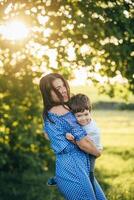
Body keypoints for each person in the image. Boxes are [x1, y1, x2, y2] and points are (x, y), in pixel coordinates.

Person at [39, 73, 107, 200]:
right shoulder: (63, 110)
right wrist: (97, 152)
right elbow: (83, 143)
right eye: (57, 89)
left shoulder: (48, 112)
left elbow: (47, 136)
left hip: (68, 166)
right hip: (73, 168)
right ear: (48, 94)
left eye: (63, 85)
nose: (63, 90)